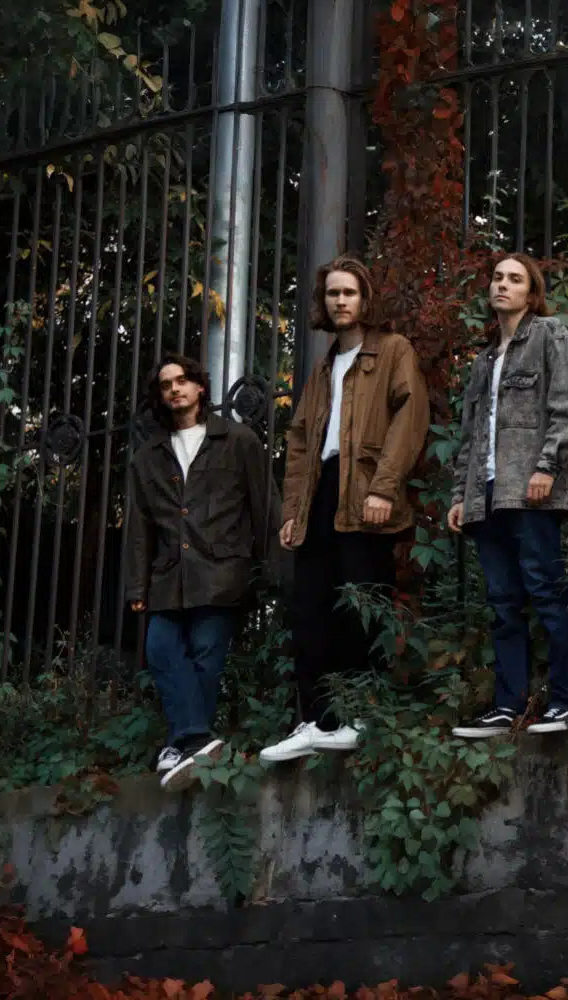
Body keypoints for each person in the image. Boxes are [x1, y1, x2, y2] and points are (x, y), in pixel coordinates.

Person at [259, 256, 429, 763]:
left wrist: (384, 487)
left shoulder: (393, 350)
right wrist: (293, 510)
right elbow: (299, 442)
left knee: (361, 604)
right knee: (310, 608)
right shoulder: (322, 368)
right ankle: (316, 720)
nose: (339, 301)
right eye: (332, 293)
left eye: (348, 292)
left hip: (366, 489)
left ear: (364, 298)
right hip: (321, 493)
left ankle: (360, 716)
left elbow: (410, 418)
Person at [448, 253, 568, 738]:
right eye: (497, 278)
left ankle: (566, 701)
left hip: (530, 491)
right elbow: (470, 435)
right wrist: (461, 494)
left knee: (547, 592)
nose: (502, 285)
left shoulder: (551, 335)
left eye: (514, 279)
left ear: (532, 292)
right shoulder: (485, 359)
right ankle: (507, 706)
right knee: (502, 602)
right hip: (485, 494)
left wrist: (547, 466)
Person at [126, 355, 269, 791]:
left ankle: (180, 746)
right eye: (166, 384)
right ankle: (195, 741)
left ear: (200, 387)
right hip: (168, 575)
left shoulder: (238, 440)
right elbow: (139, 526)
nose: (175, 388)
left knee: (207, 654)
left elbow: (264, 506)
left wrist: (270, 570)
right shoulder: (147, 457)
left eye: (182, 380)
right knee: (159, 647)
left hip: (222, 570)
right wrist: (137, 585)